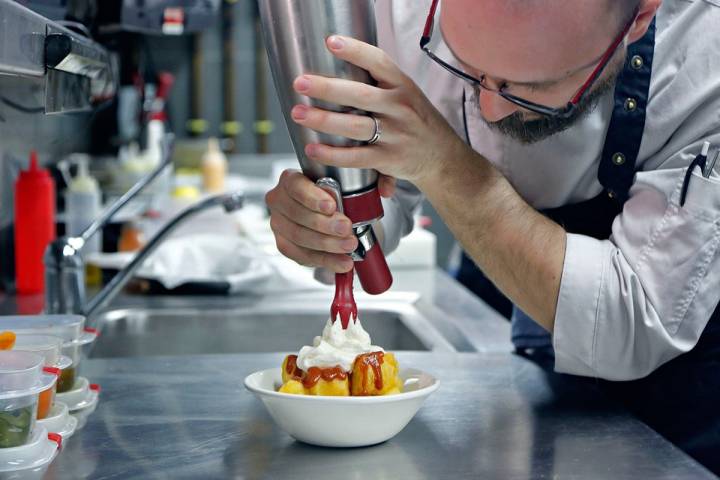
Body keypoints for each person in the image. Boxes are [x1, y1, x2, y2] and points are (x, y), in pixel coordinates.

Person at [264, 0, 720, 472]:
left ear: (639, 19)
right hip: (542, 376)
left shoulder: (706, 58)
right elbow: (386, 196)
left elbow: (632, 325)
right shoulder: (406, 12)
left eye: (529, 87)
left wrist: (445, 165)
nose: (490, 107)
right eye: (466, 67)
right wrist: (324, 221)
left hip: (685, 407)